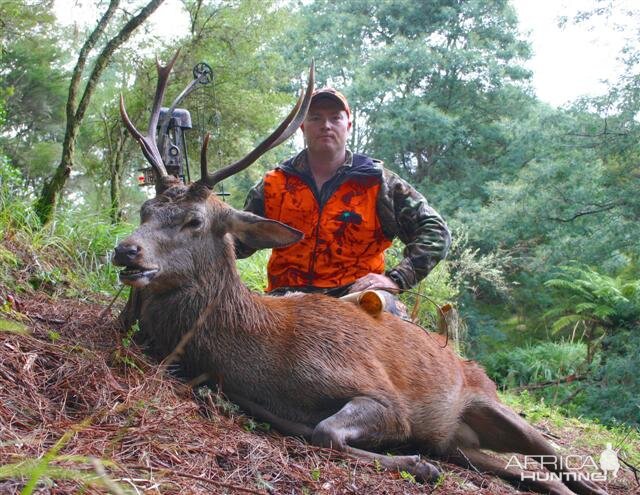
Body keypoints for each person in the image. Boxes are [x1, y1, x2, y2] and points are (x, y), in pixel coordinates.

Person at [236, 87, 451, 310]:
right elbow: (238, 242)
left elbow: (436, 231)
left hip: (357, 297)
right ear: (302, 127)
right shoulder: (274, 184)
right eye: (316, 117)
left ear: (348, 125)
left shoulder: (377, 182)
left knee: (394, 330)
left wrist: (396, 279)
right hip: (285, 298)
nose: (326, 125)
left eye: (335, 118)